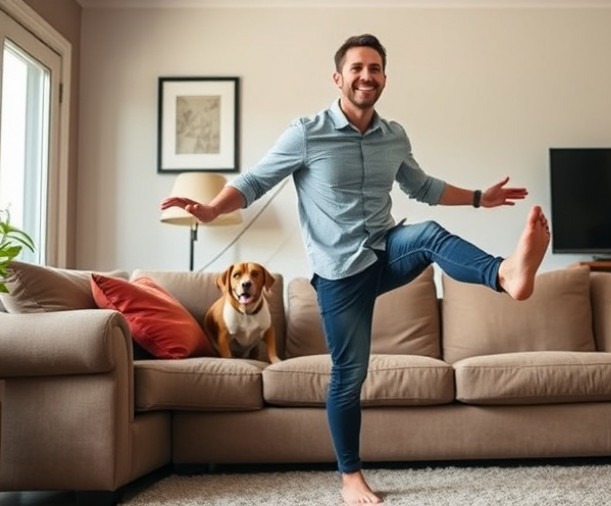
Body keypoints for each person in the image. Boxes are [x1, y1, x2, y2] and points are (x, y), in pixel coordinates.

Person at [160, 33, 550, 505]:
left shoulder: (394, 135)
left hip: (386, 250)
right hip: (340, 273)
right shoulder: (307, 132)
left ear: (385, 77)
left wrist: (476, 198)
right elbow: (256, 180)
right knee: (350, 374)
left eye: (376, 68)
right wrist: (210, 209)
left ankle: (506, 274)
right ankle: (350, 477)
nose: (367, 76)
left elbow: (421, 186)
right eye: (358, 68)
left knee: (427, 234)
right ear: (338, 77)